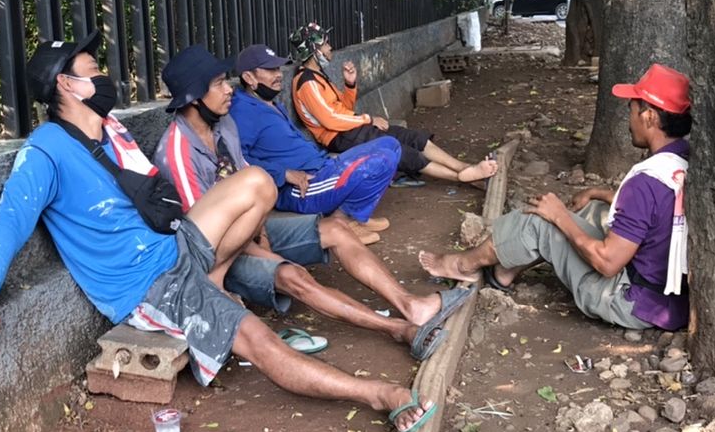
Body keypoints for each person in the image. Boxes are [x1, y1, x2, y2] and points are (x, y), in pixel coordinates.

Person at [0, 33, 437, 432]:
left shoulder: (111, 130)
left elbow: (160, 198)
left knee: (255, 183)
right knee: (255, 339)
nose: (102, 77)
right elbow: (9, 220)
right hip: (151, 285)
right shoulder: (44, 152)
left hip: (175, 245)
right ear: (65, 85)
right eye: (92, 71)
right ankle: (379, 394)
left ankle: (216, 280)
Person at [153, 45, 471, 361]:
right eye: (219, 83)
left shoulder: (224, 125)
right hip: (217, 256)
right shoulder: (178, 152)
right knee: (292, 275)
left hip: (250, 227)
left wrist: (261, 226)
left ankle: (410, 305)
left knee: (336, 229)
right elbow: (205, 242)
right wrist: (266, 252)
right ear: (194, 97)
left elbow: (244, 173)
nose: (229, 89)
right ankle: (395, 328)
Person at [417, 63, 692, 332]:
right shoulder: (683, 160)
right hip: (668, 300)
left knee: (539, 221)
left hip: (629, 301)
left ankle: (464, 264)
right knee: (594, 208)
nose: (628, 118)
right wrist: (597, 193)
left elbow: (608, 263)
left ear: (650, 117)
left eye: (631, 108)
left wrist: (559, 216)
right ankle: (504, 272)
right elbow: (654, 212)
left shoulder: (644, 183)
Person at [288, 22, 498, 187]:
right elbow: (330, 119)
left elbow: (344, 108)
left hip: (351, 129)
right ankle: (461, 177)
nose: (330, 47)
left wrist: (350, 84)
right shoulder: (307, 83)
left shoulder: (318, 76)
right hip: (339, 137)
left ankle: (464, 167)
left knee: (411, 137)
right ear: (314, 51)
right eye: (325, 44)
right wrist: (368, 119)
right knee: (399, 149)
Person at [229, 43, 400, 244]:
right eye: (270, 70)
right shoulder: (242, 112)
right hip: (300, 186)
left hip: (321, 166)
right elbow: (237, 160)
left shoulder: (270, 102)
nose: (278, 75)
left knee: (390, 144)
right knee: (381, 161)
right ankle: (342, 222)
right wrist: (283, 173)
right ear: (249, 77)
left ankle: (353, 218)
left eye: (277, 68)